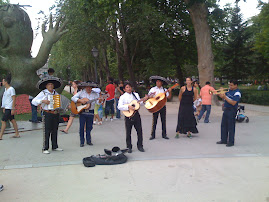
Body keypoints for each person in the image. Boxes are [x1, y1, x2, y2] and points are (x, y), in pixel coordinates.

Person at [32, 76, 63, 154]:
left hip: (55, 113)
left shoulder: (56, 93)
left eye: (52, 84)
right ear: (46, 86)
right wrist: (42, 101)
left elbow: (60, 102)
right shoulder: (43, 93)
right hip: (47, 113)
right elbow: (34, 101)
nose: (50, 86)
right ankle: (45, 148)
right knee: (47, 131)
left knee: (55, 130)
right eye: (49, 84)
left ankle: (55, 146)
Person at [118, 83, 148, 153]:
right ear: (125, 89)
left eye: (130, 87)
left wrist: (143, 100)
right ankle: (129, 147)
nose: (129, 88)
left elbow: (139, 104)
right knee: (128, 132)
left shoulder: (136, 95)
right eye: (127, 87)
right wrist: (128, 106)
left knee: (139, 131)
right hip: (128, 115)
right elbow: (119, 106)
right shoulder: (123, 97)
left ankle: (140, 146)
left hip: (136, 114)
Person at [71, 81, 101, 147]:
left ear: (92, 87)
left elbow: (98, 103)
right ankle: (82, 142)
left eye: (90, 87)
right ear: (85, 87)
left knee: (89, 127)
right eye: (87, 87)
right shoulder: (81, 92)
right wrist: (80, 100)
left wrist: (100, 100)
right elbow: (73, 98)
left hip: (91, 111)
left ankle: (89, 141)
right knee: (81, 127)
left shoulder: (95, 94)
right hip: (82, 111)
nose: (88, 88)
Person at [217, 80, 241, 147]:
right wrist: (220, 92)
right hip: (226, 109)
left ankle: (231, 141)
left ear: (236, 85)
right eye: (229, 85)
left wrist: (225, 97)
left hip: (232, 110)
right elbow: (222, 97)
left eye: (231, 85)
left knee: (231, 126)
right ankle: (223, 139)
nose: (230, 86)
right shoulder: (228, 91)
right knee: (223, 125)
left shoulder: (237, 93)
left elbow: (233, 103)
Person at [148, 76, 172, 140]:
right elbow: (149, 98)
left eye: (159, 82)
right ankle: (152, 135)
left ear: (161, 83)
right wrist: (152, 96)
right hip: (155, 107)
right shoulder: (153, 89)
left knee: (163, 120)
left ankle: (164, 134)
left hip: (162, 106)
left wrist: (170, 91)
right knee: (154, 121)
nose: (157, 83)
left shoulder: (164, 90)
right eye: (157, 82)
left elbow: (169, 98)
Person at [0, 74, 20, 140]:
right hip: (7, 107)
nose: (2, 82)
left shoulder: (11, 89)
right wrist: (4, 107)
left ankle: (0, 136)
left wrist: (13, 108)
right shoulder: (6, 89)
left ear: (6, 82)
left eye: (3, 81)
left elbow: (14, 98)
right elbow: (6, 99)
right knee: (12, 120)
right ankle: (17, 133)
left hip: (10, 108)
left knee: (3, 121)